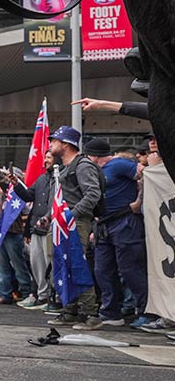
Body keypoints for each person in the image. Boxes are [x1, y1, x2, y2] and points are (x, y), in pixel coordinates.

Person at [83, 138, 148, 329]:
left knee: (130, 268)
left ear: (94, 155)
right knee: (102, 269)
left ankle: (147, 311)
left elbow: (146, 175)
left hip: (125, 221)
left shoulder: (119, 164)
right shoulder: (99, 171)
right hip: (105, 224)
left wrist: (139, 202)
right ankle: (111, 311)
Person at [45, 126, 105, 330]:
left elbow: (92, 194)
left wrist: (73, 213)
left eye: (54, 140)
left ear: (66, 144)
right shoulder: (64, 168)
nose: (50, 144)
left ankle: (91, 313)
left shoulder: (82, 165)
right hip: (64, 224)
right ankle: (69, 310)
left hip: (75, 223)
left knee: (77, 265)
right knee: (64, 266)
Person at [0, 152, 32, 305]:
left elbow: (27, 213)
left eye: (8, 176)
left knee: (18, 265)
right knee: (2, 266)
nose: (4, 178)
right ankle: (5, 294)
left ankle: (26, 293)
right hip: (0, 233)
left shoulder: (17, 193)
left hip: (12, 232)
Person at [13, 151, 55, 310]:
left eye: (49, 158)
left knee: (51, 264)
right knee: (37, 263)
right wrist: (16, 184)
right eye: (45, 157)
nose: (45, 161)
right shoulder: (41, 179)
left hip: (51, 228)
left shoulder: (61, 179)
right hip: (36, 228)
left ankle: (52, 297)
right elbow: (28, 196)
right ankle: (42, 295)